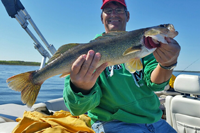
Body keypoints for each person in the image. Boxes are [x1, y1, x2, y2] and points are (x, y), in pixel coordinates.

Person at [63, 0, 180, 132]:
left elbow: (155, 84)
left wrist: (167, 64)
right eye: (108, 10)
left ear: (128, 16)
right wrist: (81, 88)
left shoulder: (147, 48)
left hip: (155, 122)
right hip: (112, 124)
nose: (113, 14)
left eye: (119, 10)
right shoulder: (89, 53)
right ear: (101, 17)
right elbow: (77, 109)